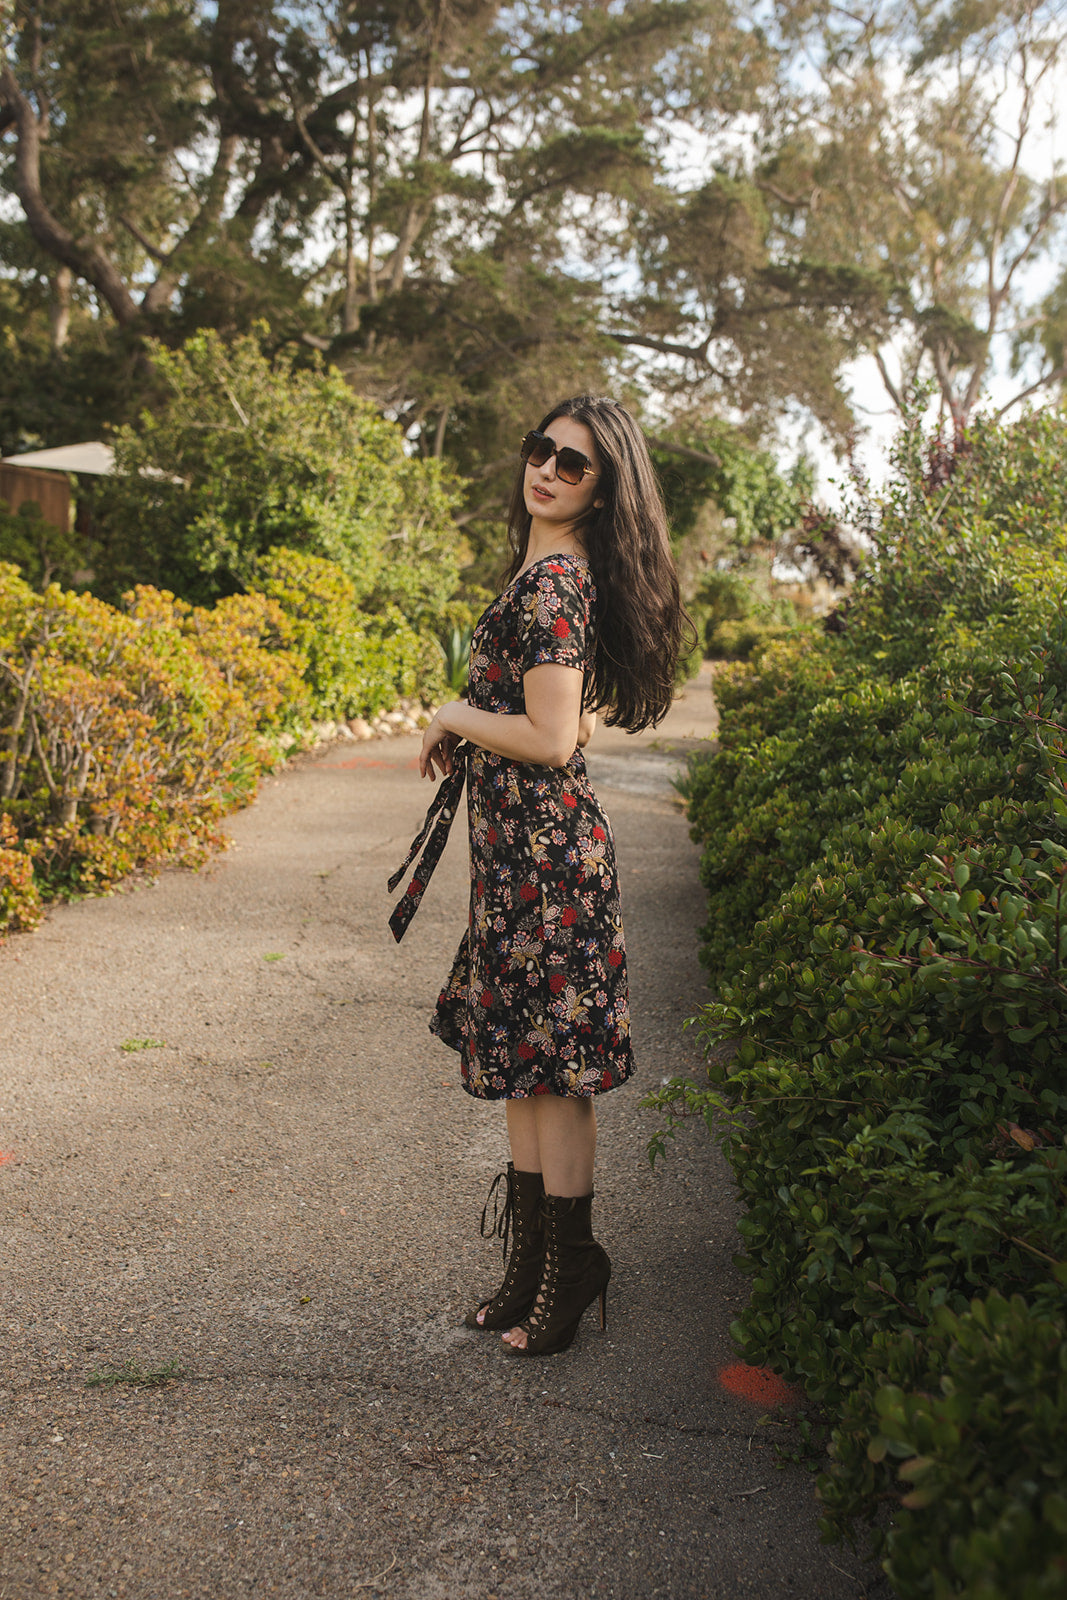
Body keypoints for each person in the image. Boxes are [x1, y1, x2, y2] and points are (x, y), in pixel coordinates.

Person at [388, 395, 690, 1355]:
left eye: (574, 464)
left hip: (549, 864)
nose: (548, 470)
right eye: (541, 450)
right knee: (526, 1065)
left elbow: (552, 737)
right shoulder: (546, 572)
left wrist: (450, 713)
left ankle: (571, 1268)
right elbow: (571, 718)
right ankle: (529, 1270)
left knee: (555, 1076)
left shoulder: (555, 581)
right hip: (520, 860)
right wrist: (479, 722)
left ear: (601, 494)